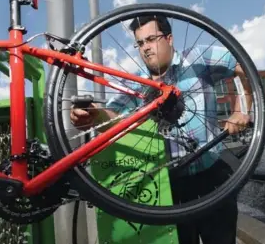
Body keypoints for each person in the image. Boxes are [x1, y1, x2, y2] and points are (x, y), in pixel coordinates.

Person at [70, 15, 253, 244]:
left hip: (213, 176)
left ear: (169, 38)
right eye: (140, 43)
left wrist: (242, 108)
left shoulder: (197, 58)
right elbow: (113, 118)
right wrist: (94, 114)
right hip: (170, 183)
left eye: (151, 39)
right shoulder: (136, 83)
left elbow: (242, 64)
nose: (145, 48)